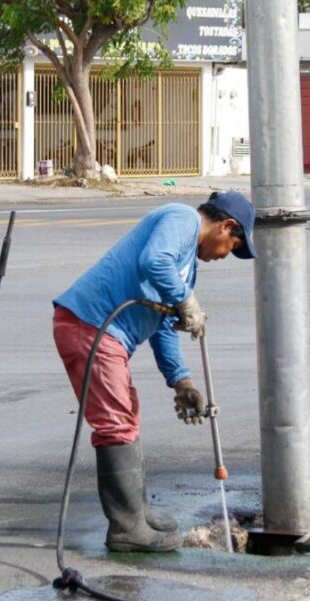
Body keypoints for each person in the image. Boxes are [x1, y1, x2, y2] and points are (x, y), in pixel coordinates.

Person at [53, 191, 256, 552]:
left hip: (104, 332)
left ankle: (137, 514)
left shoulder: (186, 265)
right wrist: (185, 300)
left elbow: (163, 325)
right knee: (115, 422)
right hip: (91, 325)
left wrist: (182, 380)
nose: (225, 255)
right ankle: (126, 529)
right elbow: (153, 261)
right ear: (226, 225)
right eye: (232, 245)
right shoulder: (182, 219)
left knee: (127, 416)